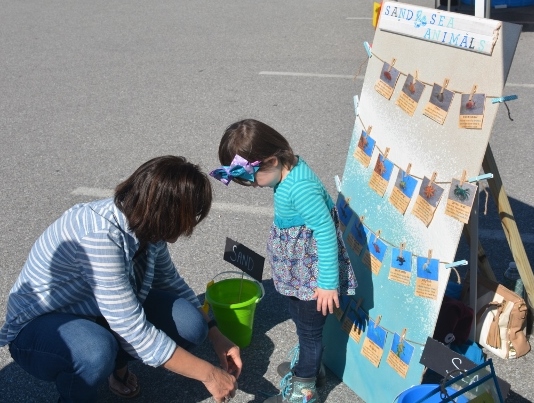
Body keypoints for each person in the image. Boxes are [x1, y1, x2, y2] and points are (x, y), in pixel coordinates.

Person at [0, 156, 241, 403]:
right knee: (93, 351)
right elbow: (132, 328)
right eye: (189, 217)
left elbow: (170, 281)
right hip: (39, 327)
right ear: (167, 214)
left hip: (95, 310)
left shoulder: (145, 222)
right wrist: (210, 375)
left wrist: (215, 334)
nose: (189, 226)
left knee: (191, 324)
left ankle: (116, 364)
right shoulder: (99, 236)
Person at [210, 120, 357, 403]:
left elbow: (326, 232)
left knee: (310, 332)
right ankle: (311, 368)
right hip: (301, 271)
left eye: (252, 178)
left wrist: (327, 283)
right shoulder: (286, 173)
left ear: (273, 160)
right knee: (304, 324)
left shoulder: (300, 188)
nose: (252, 185)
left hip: (313, 279)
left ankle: (303, 391)